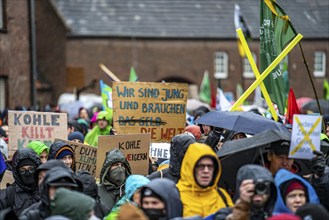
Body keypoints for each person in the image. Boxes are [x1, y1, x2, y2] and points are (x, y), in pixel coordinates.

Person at [176, 143, 233, 217]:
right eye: (201, 166)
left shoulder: (222, 195)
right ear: (190, 168)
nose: (206, 171)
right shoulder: (174, 196)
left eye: (210, 166)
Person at [0, 148, 41, 215]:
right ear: (17, 172)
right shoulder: (6, 196)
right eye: (22, 170)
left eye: (31, 169)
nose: (27, 173)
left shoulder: (46, 190)